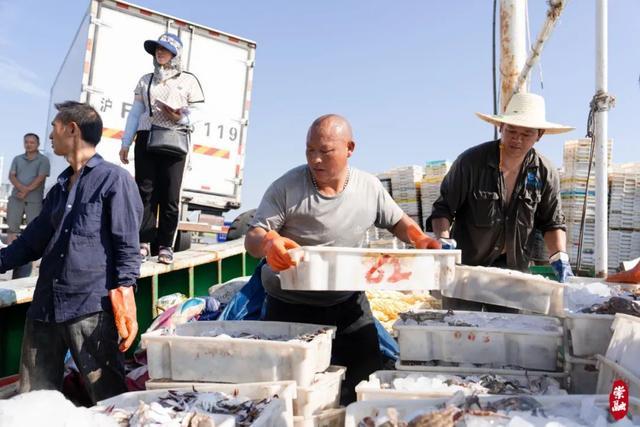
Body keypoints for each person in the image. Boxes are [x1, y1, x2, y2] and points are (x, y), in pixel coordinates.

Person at [244, 114, 441, 403]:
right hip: (288, 306)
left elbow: (399, 221)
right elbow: (253, 237)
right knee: (286, 394)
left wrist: (420, 239)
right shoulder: (286, 187)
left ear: (350, 148)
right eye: (310, 151)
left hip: (346, 303)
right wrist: (270, 242)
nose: (316, 160)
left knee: (365, 383)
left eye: (325, 151)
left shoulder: (369, 187)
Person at [0, 101, 142, 403]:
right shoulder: (60, 187)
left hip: (90, 309)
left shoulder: (114, 180)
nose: (50, 136)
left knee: (108, 400)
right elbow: (31, 242)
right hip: (45, 308)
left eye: (54, 128)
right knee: (33, 403)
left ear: (72, 129)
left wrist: (126, 291)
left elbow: (127, 244)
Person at [427, 92, 574, 310]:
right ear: (500, 128)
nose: (517, 139)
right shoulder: (471, 162)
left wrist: (559, 255)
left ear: (539, 135)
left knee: (509, 331)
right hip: (468, 268)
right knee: (462, 329)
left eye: (526, 134)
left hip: (513, 272)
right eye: (511, 131)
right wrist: (443, 240)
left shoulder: (545, 171)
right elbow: (443, 209)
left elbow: (552, 222)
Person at [119, 32, 205, 264]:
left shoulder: (189, 80)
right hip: (147, 137)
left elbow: (197, 113)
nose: (160, 52)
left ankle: (166, 245)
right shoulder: (145, 80)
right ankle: (143, 242)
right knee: (144, 192)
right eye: (157, 49)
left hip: (175, 138)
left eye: (165, 49)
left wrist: (179, 117)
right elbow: (135, 113)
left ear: (175, 54)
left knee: (169, 195)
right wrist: (126, 142)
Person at [6, 133, 50, 278]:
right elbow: (12, 175)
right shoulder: (17, 159)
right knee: (12, 229)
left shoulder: (43, 160)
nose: (29, 144)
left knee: (34, 230)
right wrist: (21, 188)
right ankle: (10, 261)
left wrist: (26, 190)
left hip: (34, 200)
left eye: (32, 142)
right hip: (16, 198)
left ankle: (29, 265)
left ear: (37, 144)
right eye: (26, 142)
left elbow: (40, 177)